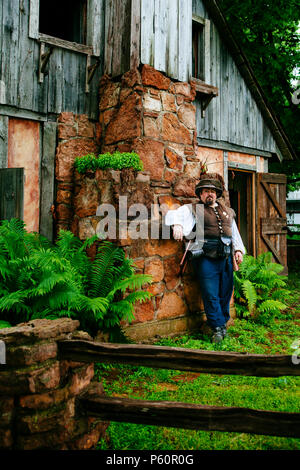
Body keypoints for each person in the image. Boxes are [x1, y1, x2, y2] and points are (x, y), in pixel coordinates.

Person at [165, 177, 246, 343]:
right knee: (210, 293)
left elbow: (234, 232)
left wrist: (238, 249)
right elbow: (173, 215)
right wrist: (178, 226)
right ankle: (216, 327)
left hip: (225, 257)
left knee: (225, 291)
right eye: (206, 191)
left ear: (217, 194)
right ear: (200, 194)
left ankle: (222, 323)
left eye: (213, 191)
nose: (210, 194)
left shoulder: (227, 211)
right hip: (205, 258)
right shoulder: (192, 208)